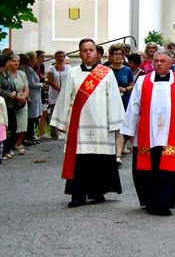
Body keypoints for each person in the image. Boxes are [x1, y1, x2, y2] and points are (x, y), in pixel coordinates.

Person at [122, 50, 175, 216]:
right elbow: (134, 107)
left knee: (166, 171)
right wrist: (128, 130)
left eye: (163, 61)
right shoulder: (142, 81)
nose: (159, 64)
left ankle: (163, 203)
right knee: (145, 170)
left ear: (171, 63)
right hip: (145, 135)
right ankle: (149, 201)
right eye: (156, 61)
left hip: (170, 136)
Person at [51, 38, 125, 208]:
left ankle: (97, 192)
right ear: (80, 53)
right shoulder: (72, 73)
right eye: (84, 50)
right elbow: (65, 97)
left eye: (91, 49)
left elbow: (113, 98)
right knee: (80, 160)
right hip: (79, 125)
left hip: (101, 125)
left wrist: (115, 123)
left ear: (97, 52)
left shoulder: (106, 73)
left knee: (99, 159)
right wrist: (61, 122)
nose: (88, 53)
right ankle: (78, 195)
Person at [107, 44, 134, 167]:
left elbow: (132, 84)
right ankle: (108, 153)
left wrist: (125, 89)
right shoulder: (105, 68)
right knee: (109, 128)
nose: (118, 56)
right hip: (107, 101)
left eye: (120, 54)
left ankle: (118, 155)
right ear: (111, 56)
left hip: (123, 100)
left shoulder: (127, 70)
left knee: (120, 128)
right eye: (115, 54)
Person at [0, 55, 17, 159]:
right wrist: (8, 94)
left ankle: (9, 147)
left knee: (13, 126)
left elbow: (11, 85)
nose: (11, 63)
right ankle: (4, 150)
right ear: (5, 62)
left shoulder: (8, 73)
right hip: (0, 103)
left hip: (10, 103)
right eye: (10, 61)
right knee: (4, 127)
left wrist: (14, 91)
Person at [47, 51, 70, 140]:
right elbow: (50, 81)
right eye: (58, 57)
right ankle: (54, 132)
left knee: (66, 111)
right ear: (55, 58)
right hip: (55, 93)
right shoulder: (51, 68)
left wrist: (65, 90)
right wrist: (59, 89)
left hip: (66, 93)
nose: (60, 58)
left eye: (62, 56)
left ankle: (65, 130)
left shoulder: (68, 68)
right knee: (54, 111)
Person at [9, 54, 29, 155]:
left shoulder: (22, 73)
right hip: (12, 101)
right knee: (12, 125)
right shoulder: (7, 74)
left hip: (22, 101)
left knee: (23, 125)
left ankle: (19, 143)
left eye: (17, 61)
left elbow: (26, 88)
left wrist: (23, 97)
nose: (16, 63)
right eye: (14, 61)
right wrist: (18, 98)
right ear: (9, 62)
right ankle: (10, 145)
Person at [25, 52, 44, 145]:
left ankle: (31, 135)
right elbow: (31, 83)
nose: (37, 60)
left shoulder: (32, 69)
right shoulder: (29, 70)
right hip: (32, 95)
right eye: (35, 58)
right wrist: (41, 84)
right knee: (31, 117)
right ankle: (28, 136)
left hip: (35, 95)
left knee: (34, 117)